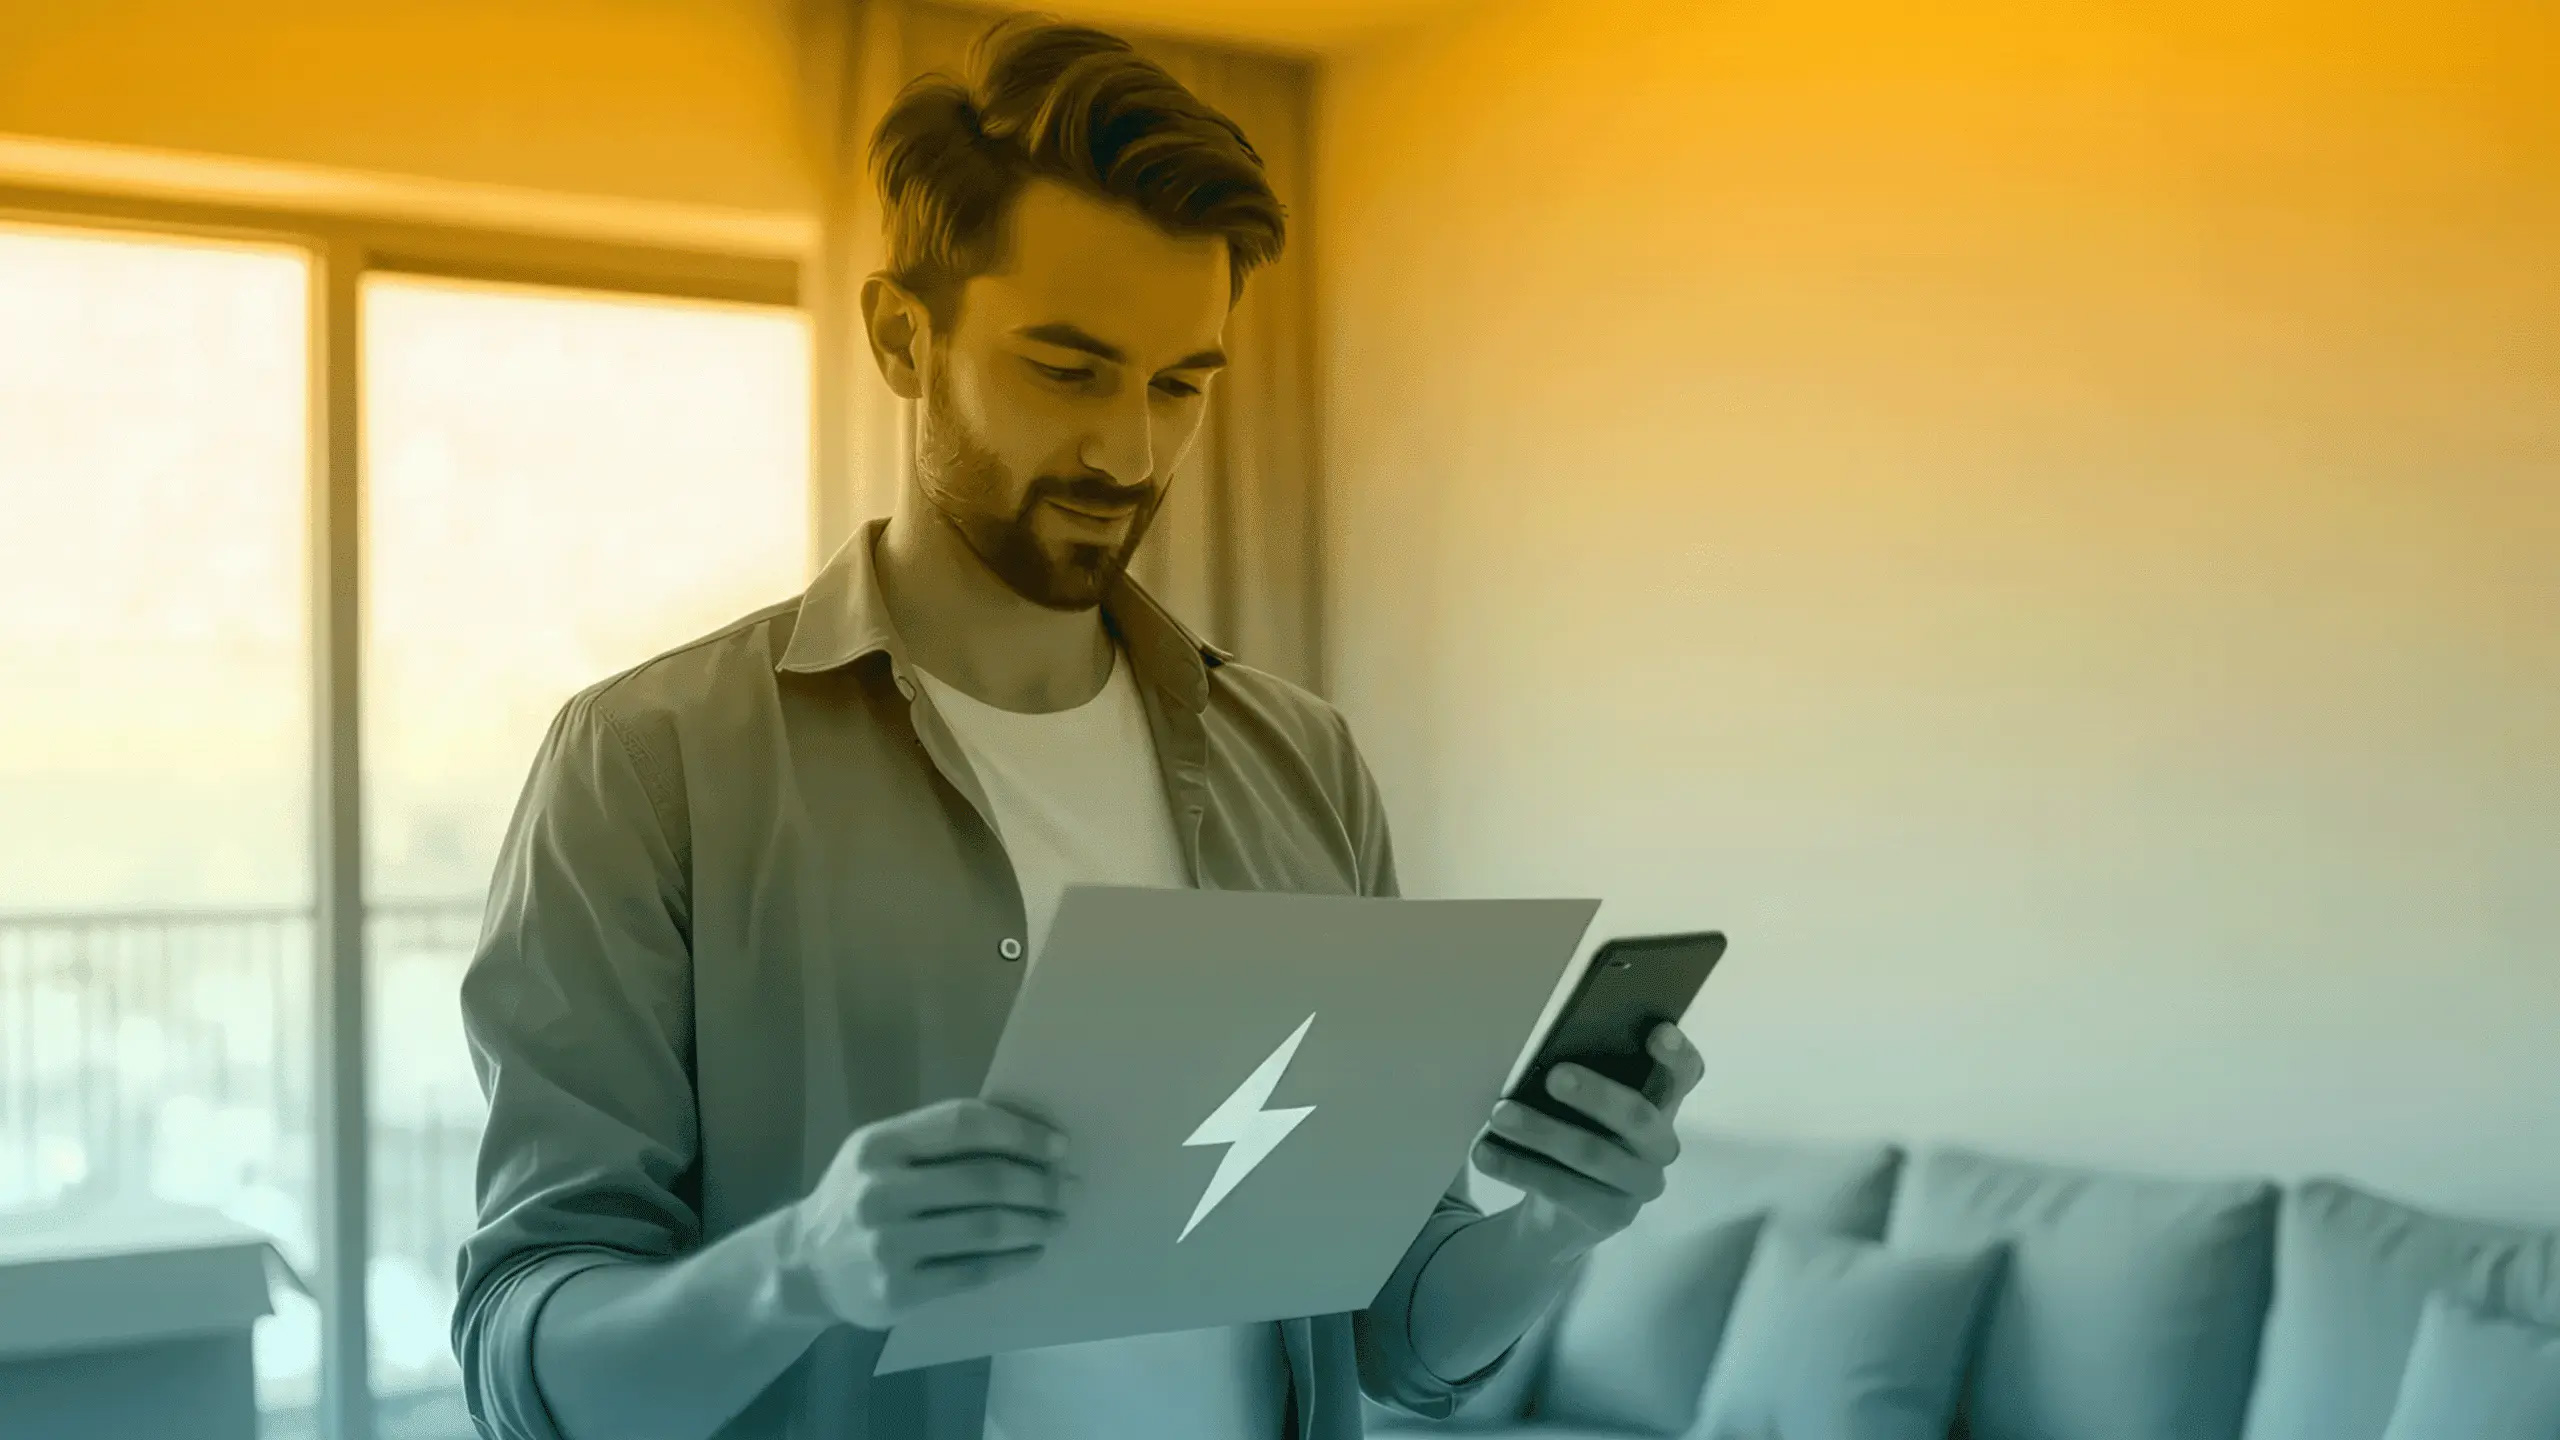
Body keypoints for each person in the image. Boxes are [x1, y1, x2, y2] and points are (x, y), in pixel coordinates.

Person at [450, 14, 1703, 1440]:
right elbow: (528, 1365)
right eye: (1068, 369)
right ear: (902, 335)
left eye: (1182, 385)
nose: (1131, 452)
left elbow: (1390, 1328)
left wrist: (1552, 1229)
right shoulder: (650, 763)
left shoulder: (1305, 768)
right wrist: (796, 1271)